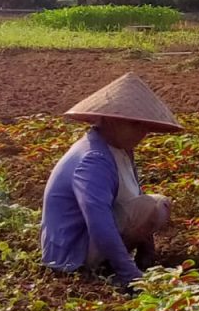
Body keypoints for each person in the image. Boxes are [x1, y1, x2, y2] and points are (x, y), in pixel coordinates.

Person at [40, 72, 183, 287]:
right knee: (152, 206)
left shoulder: (122, 151)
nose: (142, 133)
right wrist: (131, 275)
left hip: (89, 242)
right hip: (73, 252)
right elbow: (99, 222)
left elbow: (135, 196)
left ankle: (117, 264)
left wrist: (148, 257)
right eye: (134, 124)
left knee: (157, 204)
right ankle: (108, 270)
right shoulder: (94, 159)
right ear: (110, 120)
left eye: (145, 126)